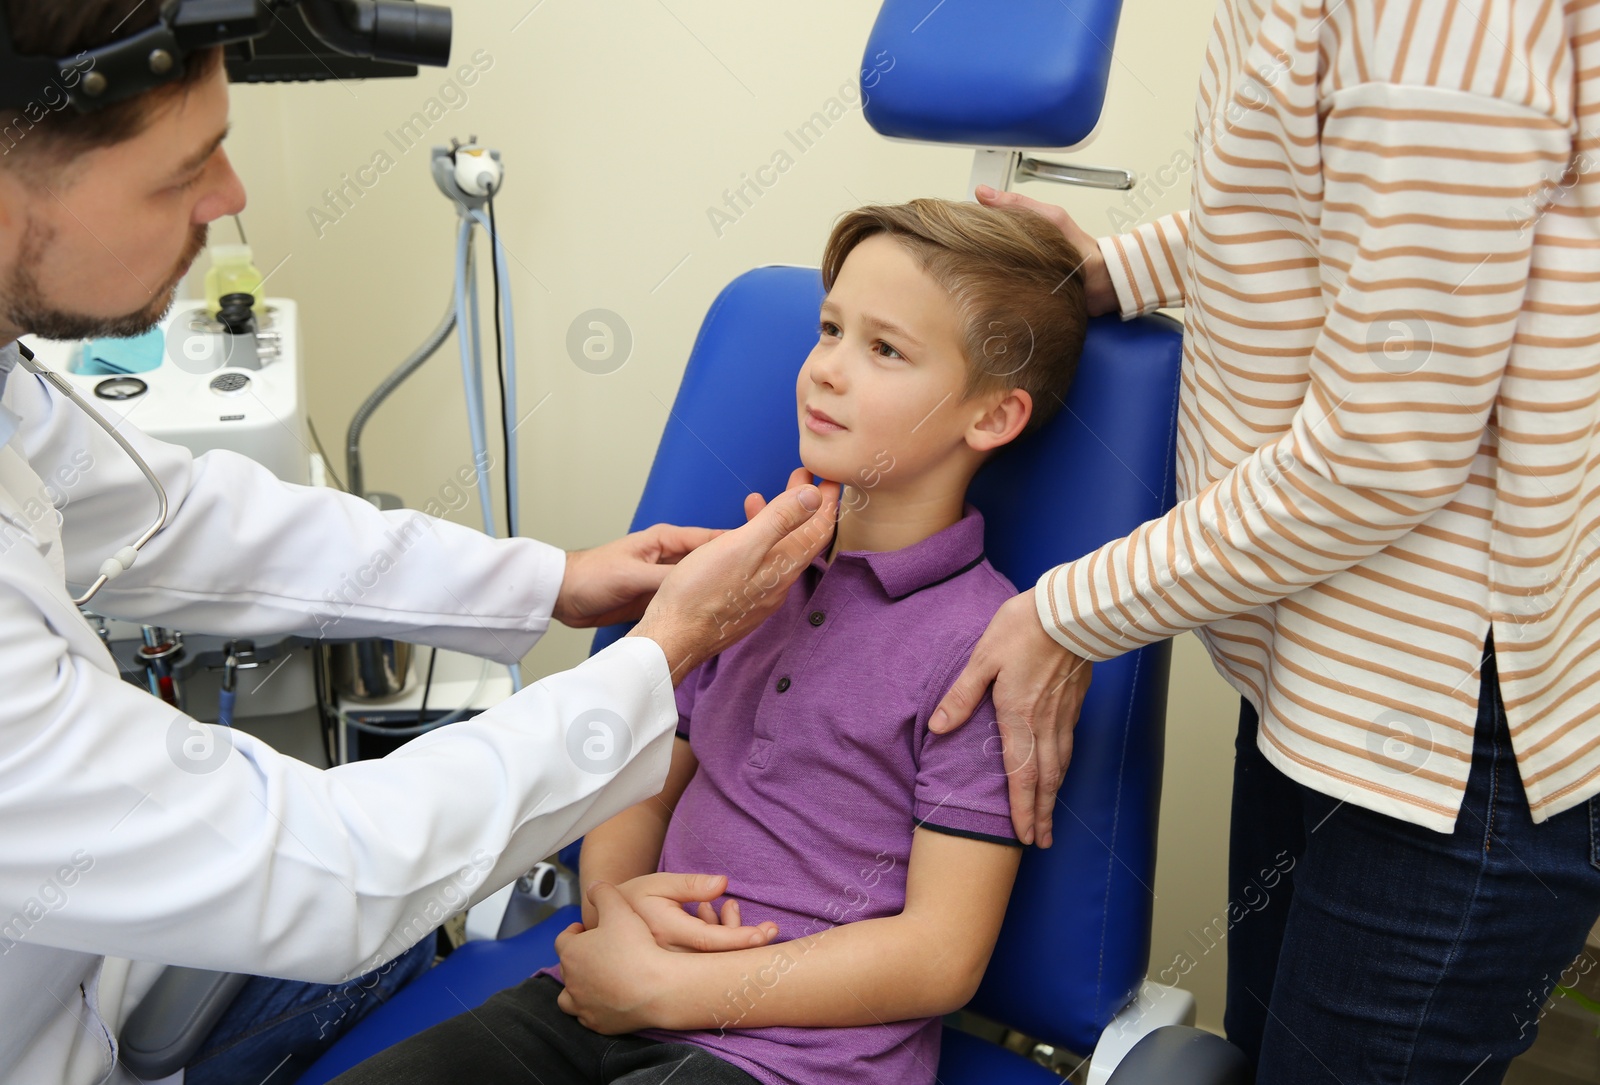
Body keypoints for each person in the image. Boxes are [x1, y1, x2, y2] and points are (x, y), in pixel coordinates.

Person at [0, 6, 841, 1085]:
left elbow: (182, 518)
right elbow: (335, 873)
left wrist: (556, 580)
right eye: (183, 173)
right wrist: (664, 651)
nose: (233, 197)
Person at [931, 1, 1600, 1080]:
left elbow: (1385, 448)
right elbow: (1313, 214)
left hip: (1434, 734)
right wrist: (1118, 270)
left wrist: (1068, 611)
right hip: (1318, 677)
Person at [327, 197, 1089, 1085]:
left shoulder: (989, 648)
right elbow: (645, 788)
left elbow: (938, 956)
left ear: (992, 417)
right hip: (604, 996)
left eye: (884, 349)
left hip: (799, 1062)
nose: (826, 371)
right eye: (830, 328)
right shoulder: (745, 579)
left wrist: (674, 993)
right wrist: (614, 914)